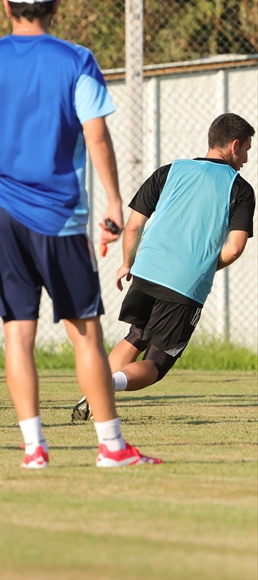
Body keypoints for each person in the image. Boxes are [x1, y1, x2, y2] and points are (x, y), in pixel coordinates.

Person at [0, 0, 160, 468]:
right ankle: (112, 447)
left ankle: (35, 448)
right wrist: (115, 202)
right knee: (86, 333)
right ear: (55, 7)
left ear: (7, 6)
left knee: (18, 332)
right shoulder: (76, 60)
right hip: (60, 217)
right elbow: (95, 134)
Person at [72, 114, 254, 420]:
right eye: (247, 149)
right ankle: (106, 385)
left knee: (135, 336)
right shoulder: (241, 189)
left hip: (146, 270)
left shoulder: (171, 170)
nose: (247, 158)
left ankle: (91, 397)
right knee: (157, 362)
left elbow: (133, 226)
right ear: (234, 146)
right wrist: (202, 267)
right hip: (185, 284)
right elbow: (235, 248)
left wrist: (126, 263)